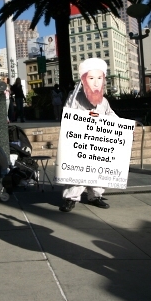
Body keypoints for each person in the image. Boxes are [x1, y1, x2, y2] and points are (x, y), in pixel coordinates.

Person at [59, 58, 116, 212]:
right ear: (84, 80)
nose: (96, 83)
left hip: (99, 143)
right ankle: (70, 198)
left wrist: (125, 126)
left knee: (99, 171)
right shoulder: (74, 97)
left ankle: (95, 196)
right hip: (80, 143)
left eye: (99, 78)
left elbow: (111, 115)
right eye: (92, 78)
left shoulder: (103, 101)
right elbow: (68, 116)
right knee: (78, 172)